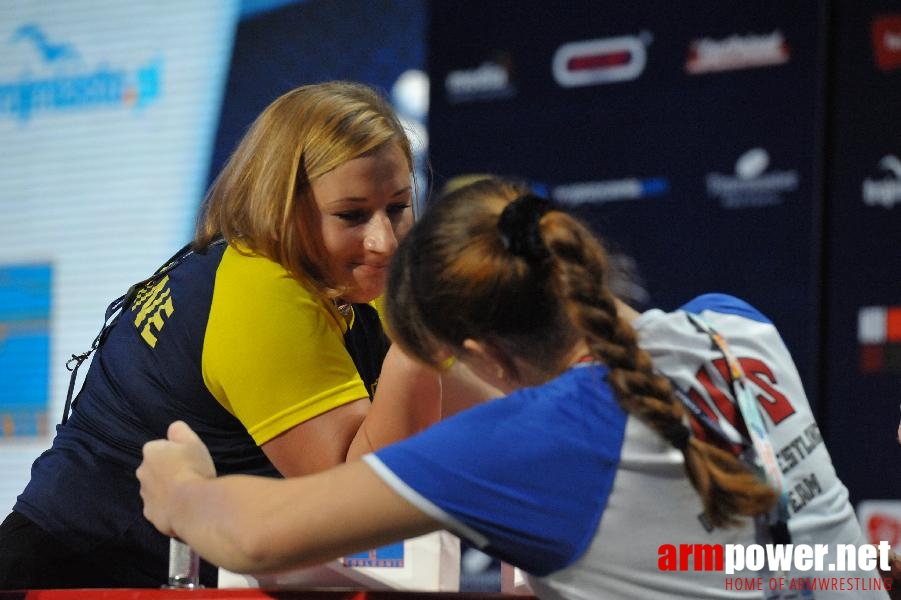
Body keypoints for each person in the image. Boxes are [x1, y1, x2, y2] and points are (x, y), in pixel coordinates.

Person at [137, 177, 893, 599]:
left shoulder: (541, 440)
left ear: (477, 354)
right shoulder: (735, 326)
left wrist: (179, 485)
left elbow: (256, 537)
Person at [0, 80, 465, 589]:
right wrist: (418, 348)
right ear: (281, 207)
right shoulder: (261, 289)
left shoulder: (349, 274)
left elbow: (478, 408)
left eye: (398, 207)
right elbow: (360, 506)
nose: (383, 240)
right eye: (351, 216)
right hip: (74, 578)